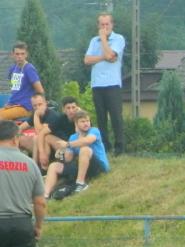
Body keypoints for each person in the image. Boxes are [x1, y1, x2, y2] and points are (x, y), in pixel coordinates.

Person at [84, 13, 126, 156]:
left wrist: (103, 39)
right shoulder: (93, 41)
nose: (105, 27)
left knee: (116, 117)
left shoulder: (118, 39)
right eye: (102, 24)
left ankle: (119, 147)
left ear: (112, 25)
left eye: (107, 24)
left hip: (112, 84)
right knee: (101, 117)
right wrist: (103, 57)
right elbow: (87, 60)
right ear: (98, 25)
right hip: (97, 84)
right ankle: (105, 146)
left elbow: (111, 56)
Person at [42, 111, 109, 197]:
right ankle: (45, 195)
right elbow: (68, 158)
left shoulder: (94, 131)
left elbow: (87, 141)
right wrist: (61, 153)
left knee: (84, 149)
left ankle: (80, 183)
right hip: (81, 167)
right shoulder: (73, 137)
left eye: (87, 121)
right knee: (53, 166)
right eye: (82, 121)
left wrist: (68, 144)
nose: (86, 123)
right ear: (76, 124)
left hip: (99, 167)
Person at [17, 94, 77, 171]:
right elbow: (20, 128)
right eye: (35, 106)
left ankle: (40, 167)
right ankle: (17, 161)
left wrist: (36, 116)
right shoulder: (37, 114)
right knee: (19, 138)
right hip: (50, 146)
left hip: (58, 147)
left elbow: (40, 132)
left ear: (45, 103)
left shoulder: (53, 116)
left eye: (40, 104)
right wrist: (15, 136)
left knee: (40, 138)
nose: (38, 108)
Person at [1, 42, 44, 121]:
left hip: (25, 107)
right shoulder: (13, 68)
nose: (20, 56)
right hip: (13, 105)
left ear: (26, 54)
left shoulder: (29, 69)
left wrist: (38, 106)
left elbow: (40, 90)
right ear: (12, 55)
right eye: (17, 54)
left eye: (22, 54)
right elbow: (15, 90)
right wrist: (10, 103)